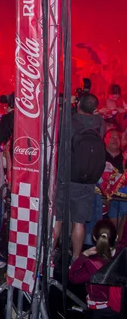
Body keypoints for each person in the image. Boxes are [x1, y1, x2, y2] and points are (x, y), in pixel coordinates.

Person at [55, 93, 106, 260]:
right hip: (86, 181)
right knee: (79, 222)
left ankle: (47, 260)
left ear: (78, 104)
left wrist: (67, 105)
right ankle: (76, 260)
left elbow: (57, 126)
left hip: (65, 176)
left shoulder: (69, 120)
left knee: (58, 219)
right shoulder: (100, 124)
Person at [69, 219, 122, 318]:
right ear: (116, 238)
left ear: (94, 237)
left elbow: (73, 277)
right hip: (120, 307)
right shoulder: (122, 255)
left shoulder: (92, 264)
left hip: (100, 310)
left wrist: (84, 255)